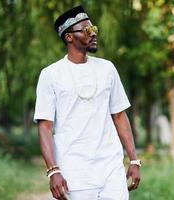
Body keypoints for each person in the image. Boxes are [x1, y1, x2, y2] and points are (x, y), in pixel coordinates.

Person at [34, 5, 141, 200]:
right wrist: (53, 170)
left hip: (111, 167)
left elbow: (119, 116)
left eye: (94, 29)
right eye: (86, 30)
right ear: (69, 37)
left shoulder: (107, 68)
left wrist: (134, 160)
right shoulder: (50, 75)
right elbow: (45, 127)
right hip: (74, 170)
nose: (93, 34)